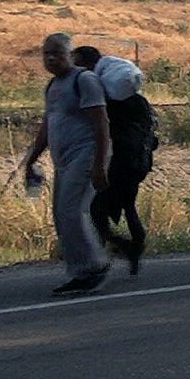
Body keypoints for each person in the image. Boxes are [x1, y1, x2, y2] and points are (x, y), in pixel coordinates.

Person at [20, 33, 113, 296]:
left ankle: (95, 266)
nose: (51, 58)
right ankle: (81, 271)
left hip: (86, 154)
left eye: (58, 53)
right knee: (61, 214)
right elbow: (47, 125)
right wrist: (32, 159)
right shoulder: (52, 86)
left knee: (72, 211)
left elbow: (101, 124)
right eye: (46, 53)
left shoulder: (85, 80)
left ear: (70, 55)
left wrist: (99, 165)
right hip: (63, 159)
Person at [70, 45, 154, 276]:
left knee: (95, 209)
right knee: (128, 206)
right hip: (137, 162)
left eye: (77, 64)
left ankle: (109, 255)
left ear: (88, 65)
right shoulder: (137, 99)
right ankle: (134, 247)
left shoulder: (106, 99)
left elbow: (101, 131)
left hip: (117, 163)